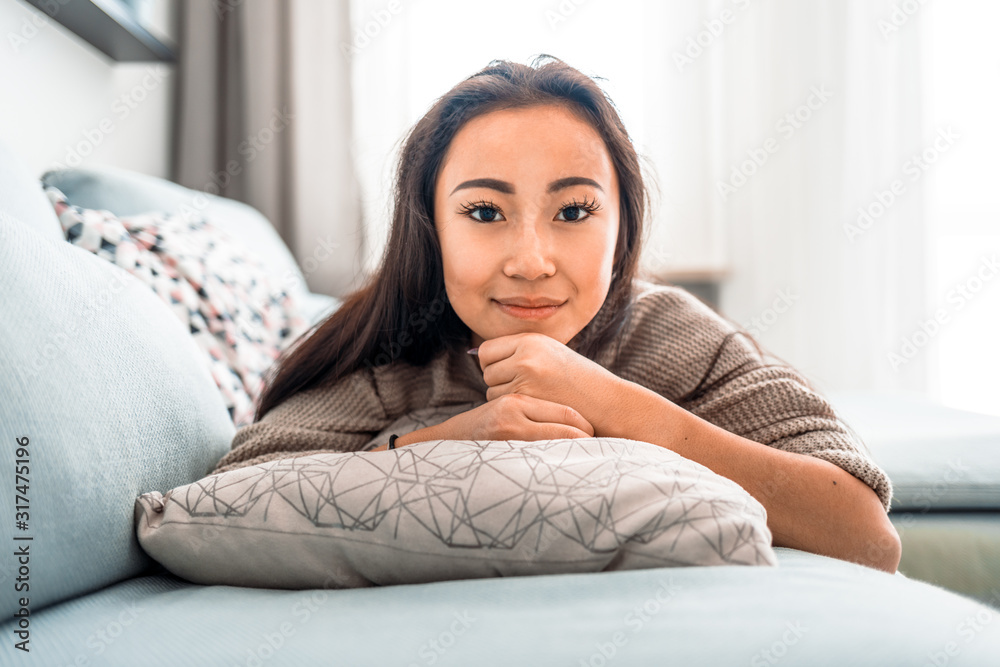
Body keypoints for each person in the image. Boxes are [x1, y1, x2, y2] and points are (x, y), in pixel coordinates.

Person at [210, 55, 901, 574]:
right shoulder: (392, 352)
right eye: (484, 212)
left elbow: (868, 535)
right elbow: (226, 501)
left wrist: (615, 407)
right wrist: (453, 441)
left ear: (622, 225)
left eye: (574, 212)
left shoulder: (671, 334)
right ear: (431, 228)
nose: (531, 260)